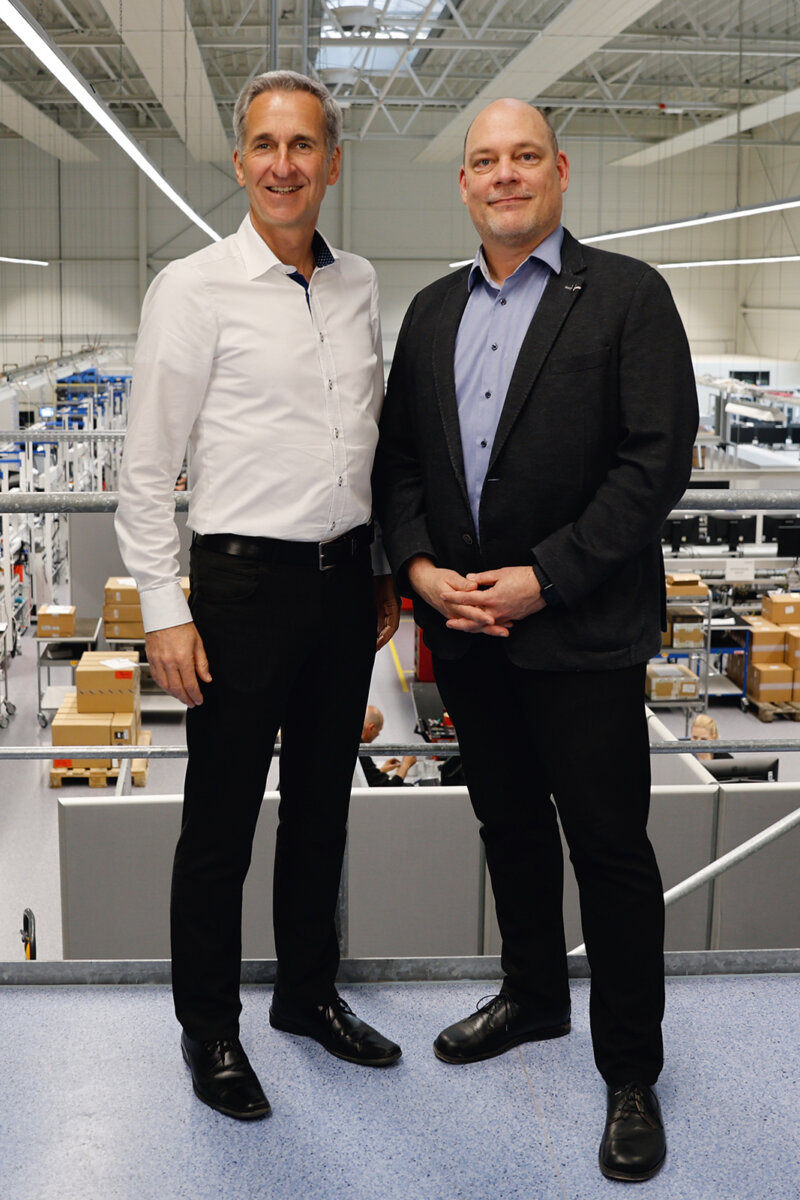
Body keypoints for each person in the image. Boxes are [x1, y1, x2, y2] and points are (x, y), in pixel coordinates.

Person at [373, 98, 698, 1182]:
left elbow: (653, 463)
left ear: (559, 172)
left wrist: (544, 579)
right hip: (466, 632)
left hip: (582, 632)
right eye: (485, 161)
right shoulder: (430, 311)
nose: (503, 175)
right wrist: (419, 570)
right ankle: (532, 995)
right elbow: (400, 464)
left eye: (524, 157)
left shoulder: (627, 297)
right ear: (462, 183)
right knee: (507, 825)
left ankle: (630, 1072)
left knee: (608, 851)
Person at [116, 70, 402, 1123]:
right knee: (221, 824)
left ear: (332, 163)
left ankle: (306, 996)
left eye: (304, 145)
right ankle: (209, 1028)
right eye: (266, 145)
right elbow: (146, 471)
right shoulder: (193, 289)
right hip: (239, 589)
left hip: (343, 585)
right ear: (240, 162)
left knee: (322, 809)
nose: (285, 164)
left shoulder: (359, 283)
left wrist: (380, 565)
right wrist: (164, 608)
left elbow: (364, 440)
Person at [360, 704, 417, 785]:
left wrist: (382, 770)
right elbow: (387, 789)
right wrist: (405, 766)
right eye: (378, 732)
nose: (377, 735)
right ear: (371, 728)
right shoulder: (361, 753)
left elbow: (368, 778)